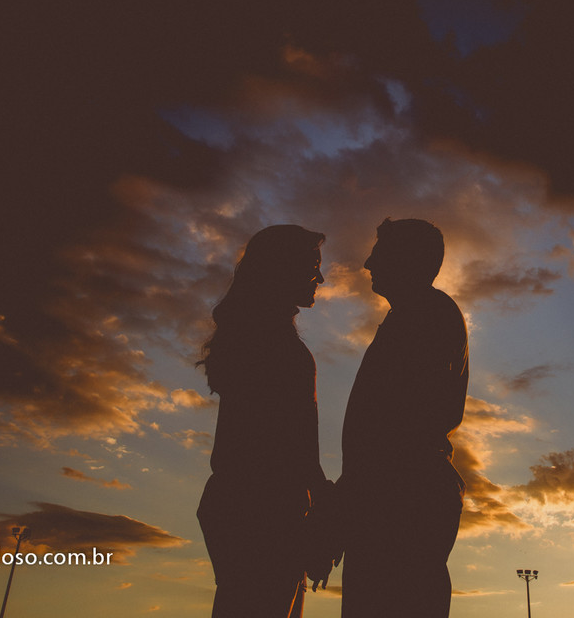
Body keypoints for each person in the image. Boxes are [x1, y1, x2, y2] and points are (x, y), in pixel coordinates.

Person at [197, 225, 333, 618]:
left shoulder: (252, 337)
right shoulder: (276, 346)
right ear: (284, 269)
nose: (321, 278)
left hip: (239, 503)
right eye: (313, 266)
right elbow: (294, 447)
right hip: (266, 512)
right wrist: (321, 510)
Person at [336, 218, 469, 617]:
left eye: (379, 253)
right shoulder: (415, 315)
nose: (367, 262)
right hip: (393, 496)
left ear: (406, 259)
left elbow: (396, 426)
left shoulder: (424, 317)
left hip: (399, 501)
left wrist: (349, 498)